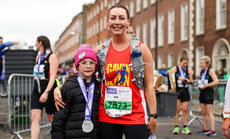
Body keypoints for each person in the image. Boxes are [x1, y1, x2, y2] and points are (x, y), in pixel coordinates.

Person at [54, 5, 157, 139]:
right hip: (107, 116)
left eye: (121, 18)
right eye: (113, 18)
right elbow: (84, 74)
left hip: (135, 115)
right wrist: (60, 88)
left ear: (128, 22)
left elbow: (149, 86)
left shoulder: (141, 49)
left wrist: (153, 115)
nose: (117, 22)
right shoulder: (100, 51)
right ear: (107, 22)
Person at [51, 45, 100, 139]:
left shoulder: (98, 86)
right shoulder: (69, 87)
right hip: (72, 135)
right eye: (84, 63)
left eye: (91, 62)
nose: (88, 66)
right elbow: (59, 119)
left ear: (96, 65)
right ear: (77, 66)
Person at [31, 35, 58, 139]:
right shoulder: (38, 57)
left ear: (41, 43)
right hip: (36, 90)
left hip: (49, 91)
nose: (35, 44)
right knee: (34, 118)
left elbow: (52, 77)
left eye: (36, 42)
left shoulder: (52, 56)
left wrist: (46, 92)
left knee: (52, 119)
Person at [196, 56, 219, 137]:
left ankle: (213, 130)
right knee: (203, 112)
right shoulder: (201, 71)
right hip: (202, 93)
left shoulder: (210, 71)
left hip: (209, 93)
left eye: (202, 63)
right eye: (201, 63)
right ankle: (205, 128)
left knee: (209, 112)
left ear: (207, 64)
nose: (201, 64)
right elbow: (201, 81)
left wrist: (206, 85)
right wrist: (199, 86)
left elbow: (216, 81)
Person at [171, 56, 193, 135]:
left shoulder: (188, 70)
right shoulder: (175, 68)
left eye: (186, 64)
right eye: (184, 63)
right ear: (180, 62)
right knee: (177, 109)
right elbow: (169, 75)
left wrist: (188, 80)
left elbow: (191, 81)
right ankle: (176, 126)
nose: (185, 65)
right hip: (177, 90)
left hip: (185, 91)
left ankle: (185, 126)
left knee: (185, 109)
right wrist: (177, 78)